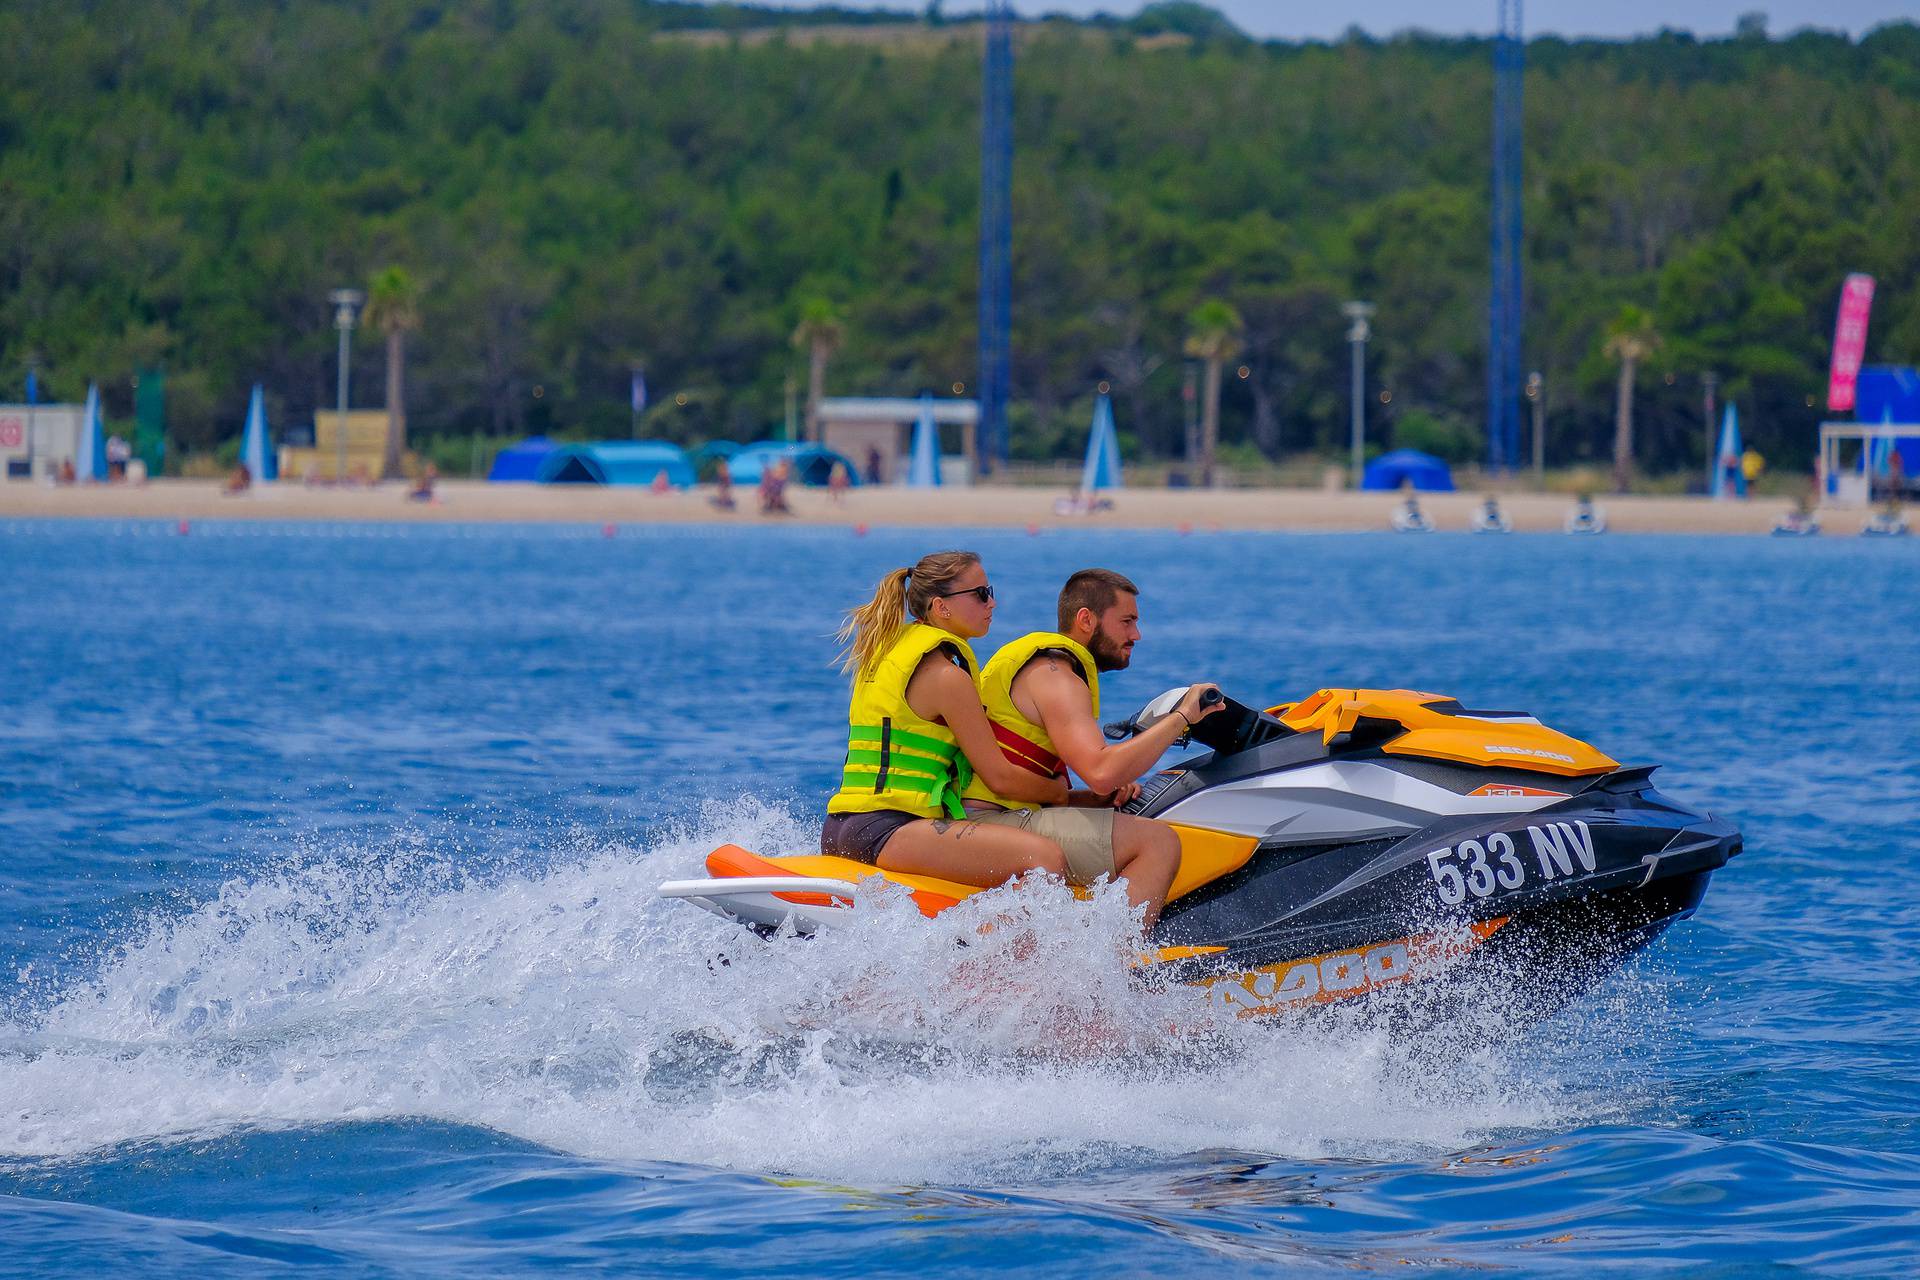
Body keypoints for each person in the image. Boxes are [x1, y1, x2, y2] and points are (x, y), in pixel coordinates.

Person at [960, 569, 1220, 930]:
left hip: (994, 813)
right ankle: (1107, 970)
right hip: (991, 822)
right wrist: (1182, 718)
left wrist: (1081, 799)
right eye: (1126, 622)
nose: (1136, 635)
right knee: (1157, 842)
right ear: (1086, 619)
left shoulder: (1039, 664)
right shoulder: (1056, 674)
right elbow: (1101, 772)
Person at [823, 551, 1078, 893]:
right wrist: (1057, 792)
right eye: (981, 594)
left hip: (841, 826)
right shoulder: (946, 677)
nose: (992, 603)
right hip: (888, 829)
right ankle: (991, 947)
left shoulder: (889, 653)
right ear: (942, 607)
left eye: (990, 591)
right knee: (1044, 859)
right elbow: (999, 777)